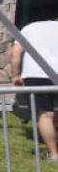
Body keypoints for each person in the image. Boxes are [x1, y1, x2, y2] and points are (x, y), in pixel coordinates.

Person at [10, 13, 58, 163]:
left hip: (35, 75)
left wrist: (15, 75)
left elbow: (15, 52)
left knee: (44, 115)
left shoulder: (29, 28)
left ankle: (54, 154)